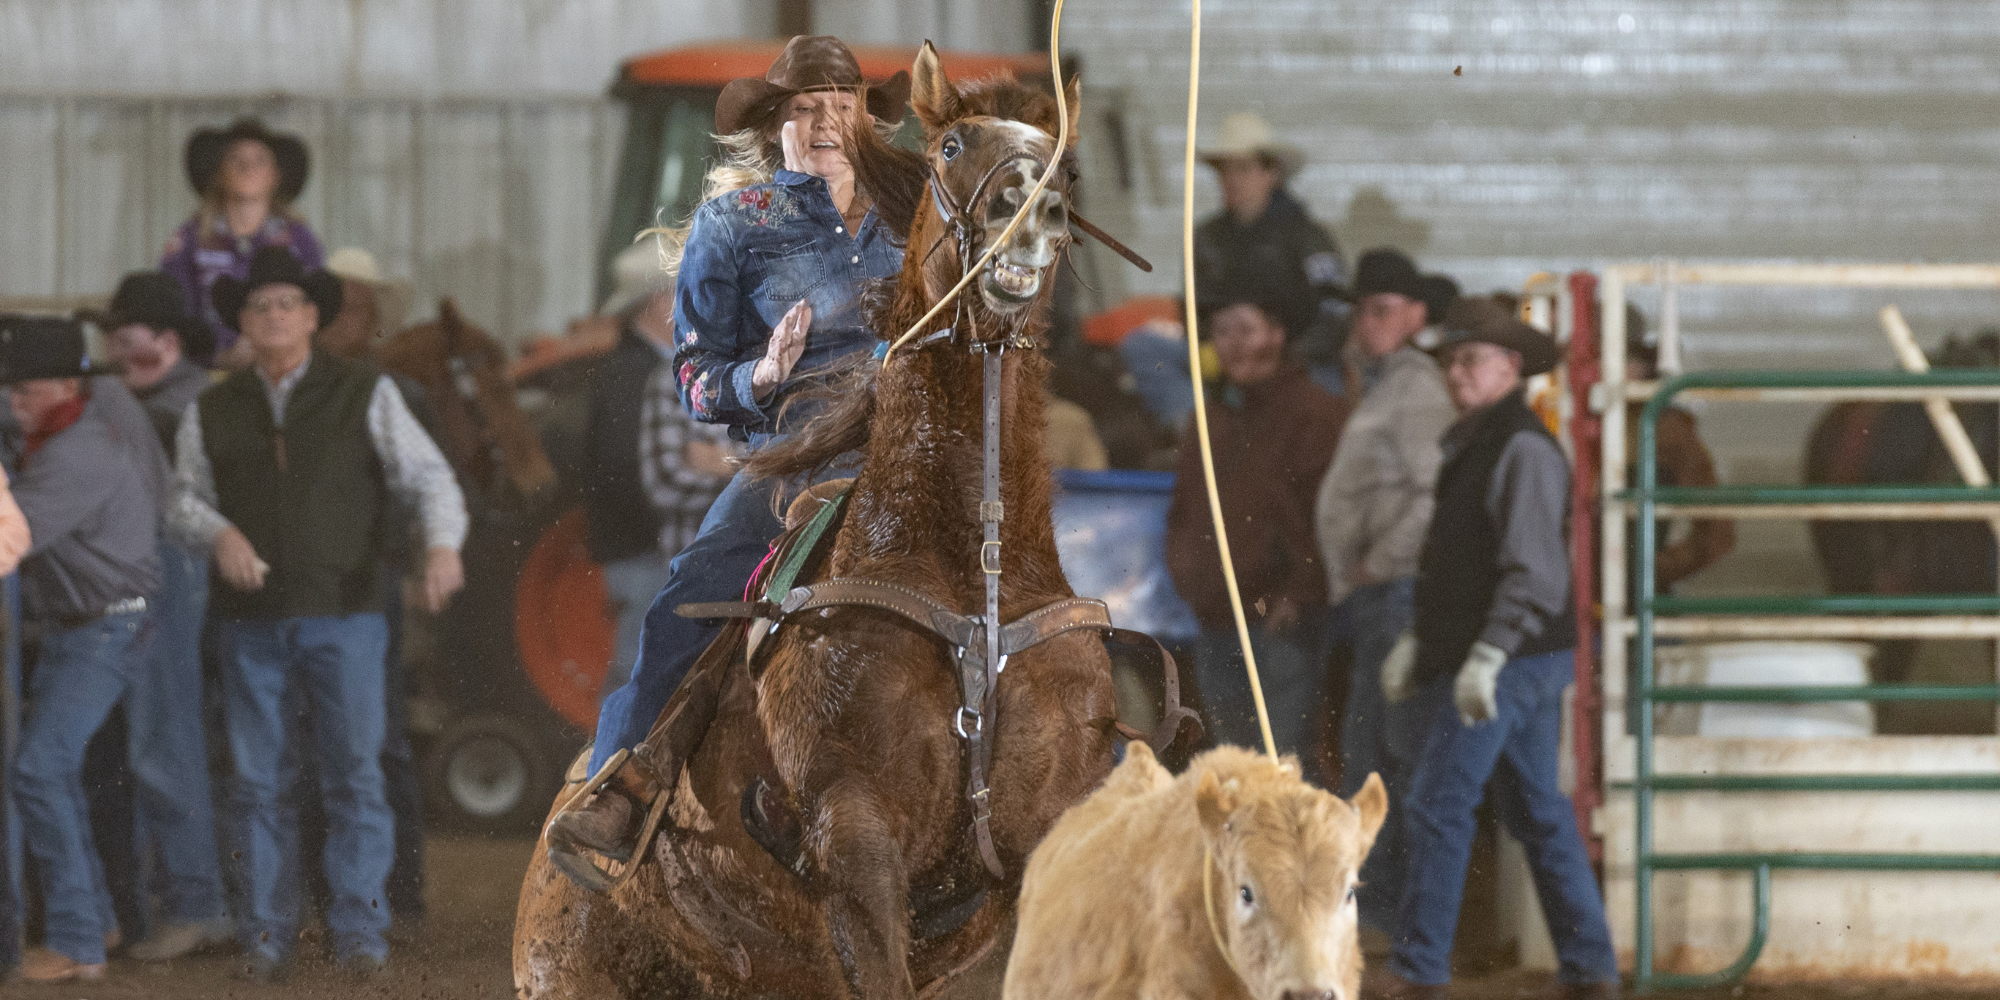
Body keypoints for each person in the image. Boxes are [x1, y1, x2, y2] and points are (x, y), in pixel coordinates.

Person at [549, 34, 910, 861]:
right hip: (792, 463)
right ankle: (625, 783)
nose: (825, 122)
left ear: (865, 119)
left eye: (842, 106)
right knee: (692, 592)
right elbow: (695, 381)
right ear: (774, 126)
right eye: (805, 109)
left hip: (911, 452)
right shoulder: (732, 225)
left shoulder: (918, 206)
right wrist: (763, 371)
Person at [166, 247, 467, 980]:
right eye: (258, 306)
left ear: (311, 317)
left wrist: (442, 548)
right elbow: (182, 500)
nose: (272, 316)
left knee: (354, 776)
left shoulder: (364, 391)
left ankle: (360, 937)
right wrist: (221, 534)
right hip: (251, 621)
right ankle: (265, 938)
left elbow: (428, 478)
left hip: (348, 613)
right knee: (258, 780)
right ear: (241, 321)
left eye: (286, 305)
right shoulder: (211, 408)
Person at [1375, 297, 1618, 999]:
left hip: (1507, 658)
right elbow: (1472, 563)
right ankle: (1590, 967)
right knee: (1537, 809)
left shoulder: (1515, 447)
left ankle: (1421, 971)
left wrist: (1486, 654)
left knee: (1439, 802)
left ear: (1510, 367)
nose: (1457, 374)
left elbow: (1532, 572)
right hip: (1519, 654)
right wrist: (1429, 639)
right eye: (1451, 361)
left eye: (1471, 360)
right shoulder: (1490, 442)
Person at [3, 315, 161, 982]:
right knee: (52, 769)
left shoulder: (78, 455)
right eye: (9, 393)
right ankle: (92, 922)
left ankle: (77, 940)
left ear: (69, 385)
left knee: (40, 768)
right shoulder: (65, 435)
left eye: (26, 391)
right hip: (93, 624)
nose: (15, 403)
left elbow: (10, 537)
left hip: (105, 626)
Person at [91, 272, 238, 962]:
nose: (117, 353)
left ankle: (195, 903)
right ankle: (183, 898)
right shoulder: (187, 397)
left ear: (168, 341)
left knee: (161, 736)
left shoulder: (177, 405)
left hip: (163, 573)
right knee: (159, 736)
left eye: (128, 340)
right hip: (156, 574)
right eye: (112, 341)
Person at [1311, 248, 1458, 931]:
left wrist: (1382, 557)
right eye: (1361, 312)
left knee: (1383, 748)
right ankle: (1386, 912)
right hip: (1380, 594)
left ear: (1415, 316)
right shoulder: (1389, 385)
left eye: (1381, 311)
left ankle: (1390, 914)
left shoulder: (1416, 389)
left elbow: (1436, 492)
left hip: (1394, 592)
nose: (1365, 325)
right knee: (1377, 745)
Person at [1165, 287, 1348, 770]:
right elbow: (1184, 507)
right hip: (1216, 618)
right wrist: (1189, 574)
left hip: (1279, 621)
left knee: (1283, 763)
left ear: (1277, 334)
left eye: (1246, 329)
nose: (1232, 343)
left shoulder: (1315, 413)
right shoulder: (1209, 419)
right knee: (1235, 767)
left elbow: (1328, 515)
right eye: (1222, 331)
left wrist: (1300, 591)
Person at [1120, 112, 1349, 425]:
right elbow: (1192, 306)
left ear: (1272, 173)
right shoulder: (1206, 237)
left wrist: (1286, 356)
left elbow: (1335, 310)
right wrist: (1214, 348)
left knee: (1327, 387)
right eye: (1224, 170)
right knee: (1145, 348)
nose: (1231, 179)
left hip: (1293, 360)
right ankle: (1204, 436)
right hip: (1223, 356)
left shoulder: (1308, 236)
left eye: (1243, 169)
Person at [587, 242, 684, 702]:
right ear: (658, 301)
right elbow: (629, 466)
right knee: (638, 666)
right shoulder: (636, 374)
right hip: (645, 546)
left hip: (648, 543)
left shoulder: (638, 366)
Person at [161, 117, 325, 369]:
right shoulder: (190, 239)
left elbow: (315, 308)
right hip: (207, 369)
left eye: (260, 160)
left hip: (282, 364)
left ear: (276, 175)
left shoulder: (298, 238)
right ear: (219, 173)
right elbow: (174, 310)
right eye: (235, 159)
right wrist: (216, 356)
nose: (248, 167)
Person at [1623, 305, 1733, 590]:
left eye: (1625, 358)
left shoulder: (1665, 430)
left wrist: (1651, 569)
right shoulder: (1559, 420)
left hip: (1636, 604)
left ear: (1642, 367)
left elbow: (1716, 530)